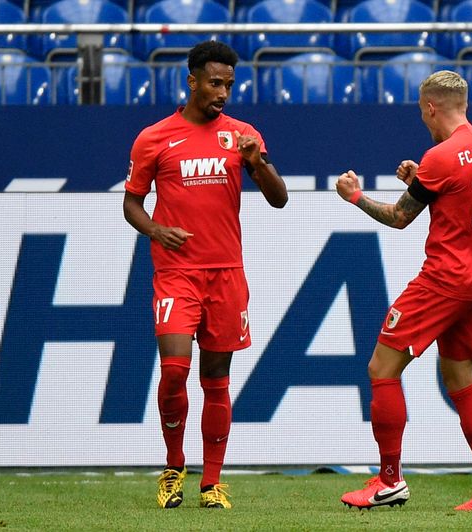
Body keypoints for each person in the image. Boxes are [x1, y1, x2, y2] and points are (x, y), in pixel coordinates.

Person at [334, 70, 472, 511]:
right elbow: (462, 195)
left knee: (382, 368)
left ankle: (389, 481)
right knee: (461, 379)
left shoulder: (441, 155)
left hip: (444, 280)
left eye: (422, 112)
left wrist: (355, 197)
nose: (424, 120)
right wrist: (422, 181)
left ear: (431, 107)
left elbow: (400, 218)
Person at [123, 40, 288, 509]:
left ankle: (211, 483)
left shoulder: (242, 135)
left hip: (226, 275)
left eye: (229, 85)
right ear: (191, 80)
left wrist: (257, 164)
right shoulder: (154, 137)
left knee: (216, 380)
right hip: (176, 272)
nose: (223, 93)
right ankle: (173, 467)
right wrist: (156, 229)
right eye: (215, 83)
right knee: (174, 371)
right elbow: (131, 203)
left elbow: (280, 198)